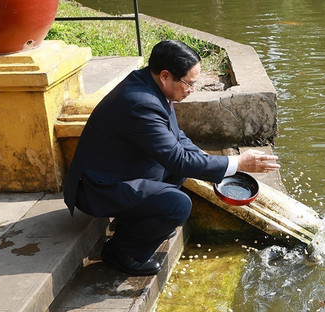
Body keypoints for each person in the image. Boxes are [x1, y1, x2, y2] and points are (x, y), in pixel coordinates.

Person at [63, 40, 279, 276]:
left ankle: (133, 227)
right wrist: (237, 163)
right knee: (177, 205)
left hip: (120, 171)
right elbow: (178, 159)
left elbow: (177, 137)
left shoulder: (151, 85)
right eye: (189, 83)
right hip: (98, 187)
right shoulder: (140, 103)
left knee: (183, 168)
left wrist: (210, 163)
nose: (191, 90)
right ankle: (122, 251)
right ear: (166, 75)